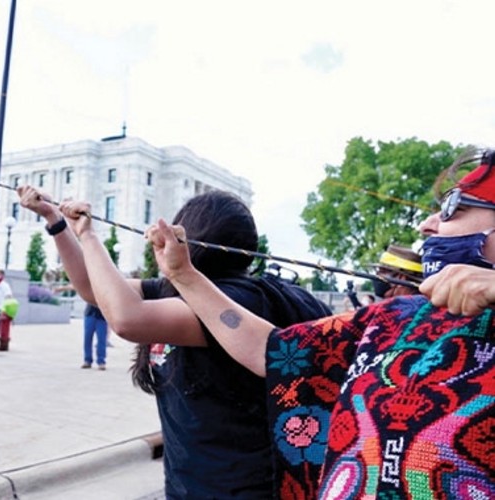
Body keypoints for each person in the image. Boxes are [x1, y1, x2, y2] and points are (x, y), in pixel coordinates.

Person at [148, 147, 495, 498]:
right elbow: (267, 349)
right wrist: (183, 275)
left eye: (454, 209)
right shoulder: (392, 318)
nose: (427, 223)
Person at [18, 186, 331, 498]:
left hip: (244, 489)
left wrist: (89, 235)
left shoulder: (239, 300)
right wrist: (57, 223)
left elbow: (126, 318)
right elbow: (92, 289)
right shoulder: (178, 289)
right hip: (190, 484)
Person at [82, 303, 108, 370]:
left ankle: (101, 361)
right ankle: (87, 360)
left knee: (101, 339)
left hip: (102, 317)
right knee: (87, 339)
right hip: (90, 314)